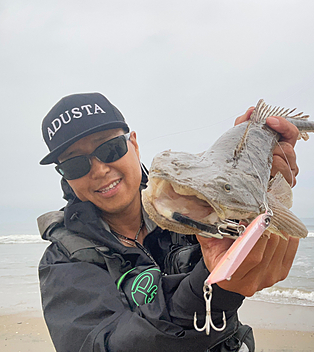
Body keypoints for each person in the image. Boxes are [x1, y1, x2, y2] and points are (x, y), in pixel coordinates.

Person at [38, 92, 300, 352]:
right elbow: (103, 345)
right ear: (64, 176)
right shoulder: (63, 261)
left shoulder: (190, 202)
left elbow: (239, 216)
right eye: (74, 165)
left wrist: (252, 175)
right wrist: (214, 290)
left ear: (134, 144)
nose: (99, 170)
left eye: (110, 148)